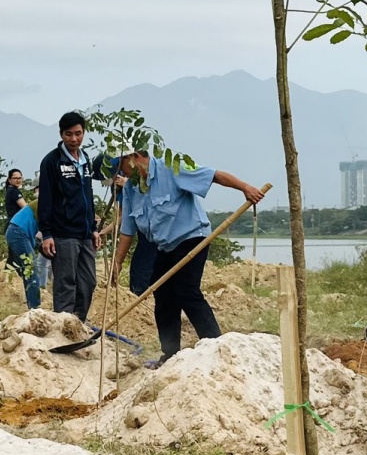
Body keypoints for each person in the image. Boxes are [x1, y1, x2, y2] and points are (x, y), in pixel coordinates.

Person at [111, 151, 264, 360]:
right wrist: (117, 263)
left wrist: (245, 188)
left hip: (192, 237)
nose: (121, 173)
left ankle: (215, 347)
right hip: (165, 245)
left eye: (122, 167)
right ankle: (170, 353)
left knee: (186, 290)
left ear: (135, 157)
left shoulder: (172, 168)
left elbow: (213, 175)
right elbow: (127, 229)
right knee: (161, 291)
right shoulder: (131, 188)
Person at [37, 112, 100, 321]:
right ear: (61, 134)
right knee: (66, 284)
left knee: (88, 282)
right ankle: (63, 327)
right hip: (63, 234)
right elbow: (45, 199)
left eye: (78, 134)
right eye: (69, 134)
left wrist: (94, 228)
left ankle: (77, 323)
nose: (74, 139)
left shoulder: (85, 160)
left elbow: (88, 195)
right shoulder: (52, 162)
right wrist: (46, 234)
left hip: (85, 234)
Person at [5, 199, 41, 307]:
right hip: (18, 232)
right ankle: (35, 309)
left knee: (28, 271)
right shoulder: (47, 202)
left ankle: (32, 307)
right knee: (31, 270)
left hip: (16, 231)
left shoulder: (46, 201)